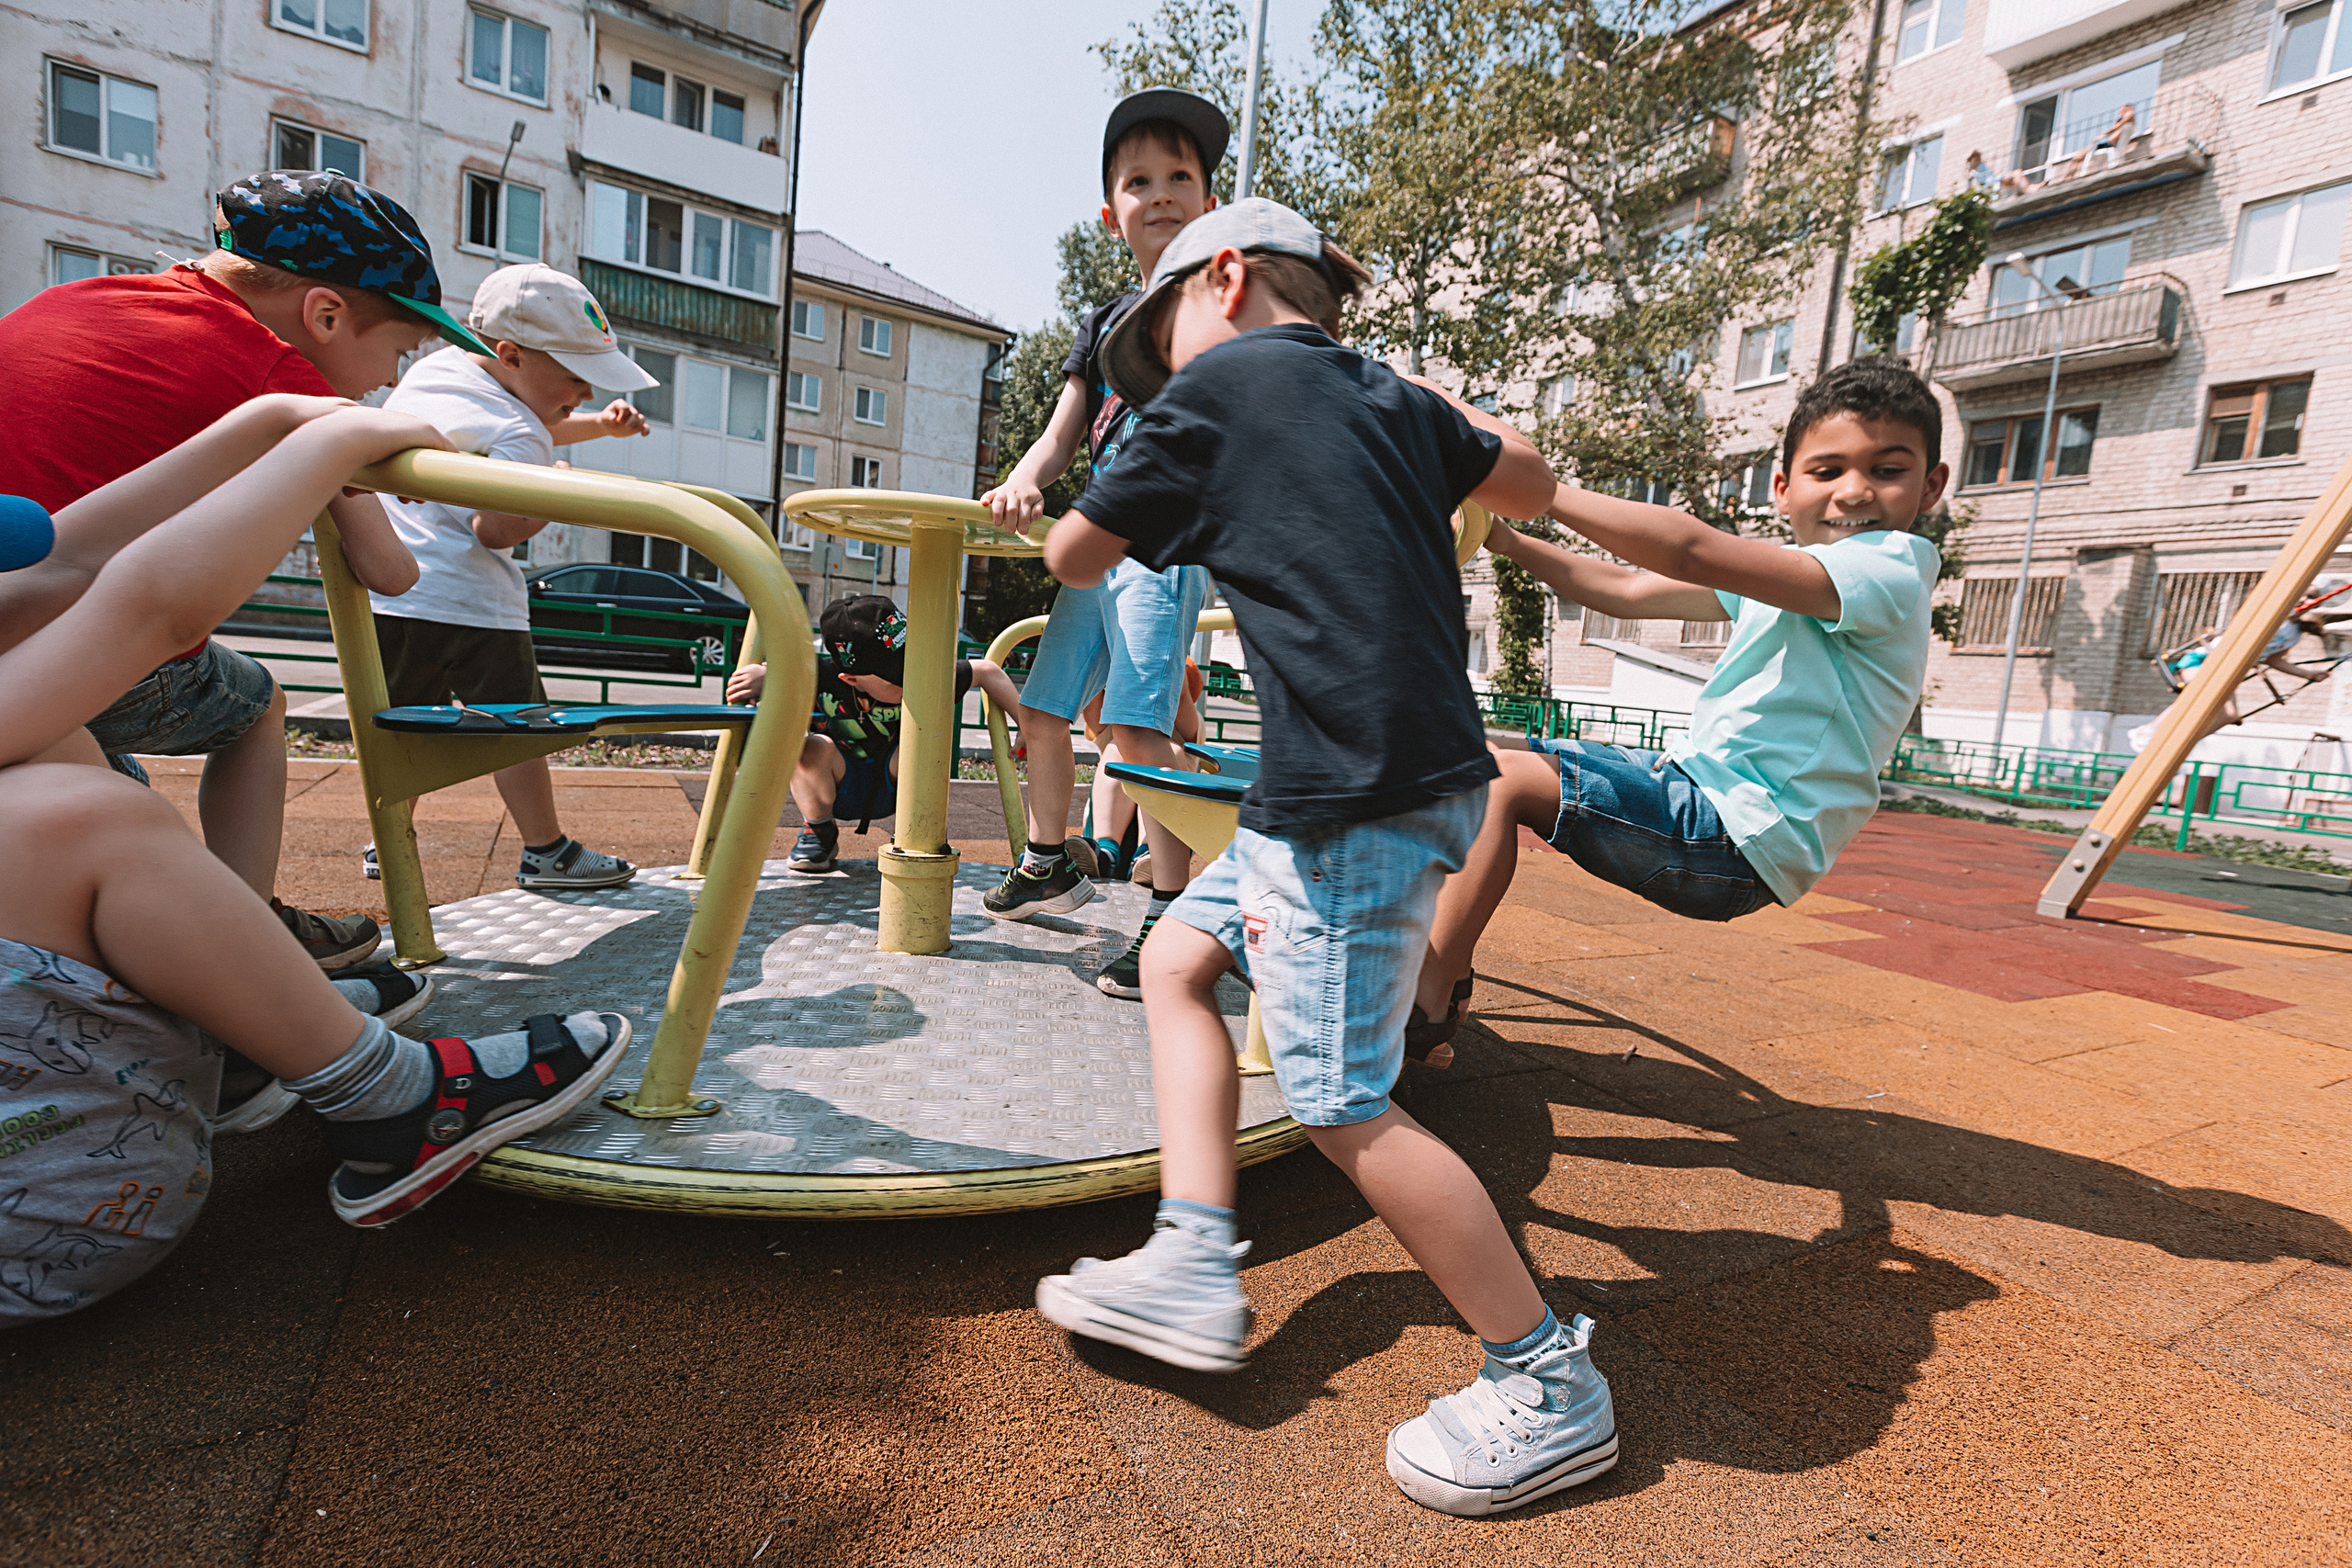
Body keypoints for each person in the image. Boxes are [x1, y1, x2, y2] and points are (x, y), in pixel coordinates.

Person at [1028, 198, 1610, 1518]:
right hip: (1371, 779)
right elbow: (1528, 481)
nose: (1161, 373)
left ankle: (1546, 1377)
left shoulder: (1212, 393)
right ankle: (1191, 1249)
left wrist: (1122, 457)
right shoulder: (1395, 398)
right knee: (1177, 959)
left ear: (1225, 278)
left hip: (1350, 791)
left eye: (1163, 341)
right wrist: (1431, 410)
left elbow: (1073, 552)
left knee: (1341, 1099)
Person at [0, 397, 629, 1325]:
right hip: (44, 1226)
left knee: (48, 751)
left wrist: (271, 419)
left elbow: (63, 564)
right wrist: (341, 439)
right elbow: (148, 607)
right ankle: (390, 1098)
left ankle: (248, 1030)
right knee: (80, 818)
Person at [0, 170, 480, 972]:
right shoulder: (278, 372)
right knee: (256, 706)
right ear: (325, 315)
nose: (389, 381)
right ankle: (250, 933)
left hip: (14, 599)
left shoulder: (75, 297)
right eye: (398, 351)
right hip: (80, 649)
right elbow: (389, 569)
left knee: (109, 793)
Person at [1408, 358, 1947, 1066]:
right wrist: (1507, 539)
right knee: (1477, 766)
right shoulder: (1794, 576)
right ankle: (1443, 981)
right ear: (1783, 488)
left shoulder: (1890, 566)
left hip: (1736, 833)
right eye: (1827, 470)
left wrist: (1541, 491)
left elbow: (1691, 550)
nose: (1854, 491)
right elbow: (1624, 590)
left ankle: (1424, 1008)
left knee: (1497, 783)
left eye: (1887, 470)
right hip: (1703, 798)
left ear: (1931, 485)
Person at [977, 88, 1230, 999]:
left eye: (1179, 177)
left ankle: (1169, 910)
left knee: (1135, 726)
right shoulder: (1105, 323)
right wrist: (1025, 479)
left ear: (1209, 200)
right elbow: (1061, 429)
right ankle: (1049, 858)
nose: (1159, 193)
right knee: (1045, 708)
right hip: (1098, 539)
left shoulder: (1217, 307)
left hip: (1163, 545)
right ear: (1109, 211)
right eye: (1138, 181)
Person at [362, 263, 657, 892]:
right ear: (511, 354)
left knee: (402, 726)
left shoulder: (436, 373)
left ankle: (386, 837)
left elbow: (511, 422)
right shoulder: (522, 433)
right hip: (474, 604)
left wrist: (597, 427)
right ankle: (546, 850)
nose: (584, 393)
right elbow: (495, 529)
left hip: (391, 591)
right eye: (575, 377)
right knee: (519, 730)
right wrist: (554, 491)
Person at [726, 595, 1023, 871]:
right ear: (851, 679)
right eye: (898, 675)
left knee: (925, 742)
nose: (911, 677)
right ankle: (819, 829)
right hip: (836, 784)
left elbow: (987, 671)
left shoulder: (926, 675)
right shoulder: (819, 675)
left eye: (913, 663)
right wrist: (769, 674)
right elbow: (788, 668)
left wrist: (1025, 726)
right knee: (811, 748)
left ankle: (918, 832)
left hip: (900, 786)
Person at [1080, 657, 1205, 885]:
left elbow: (1180, 697)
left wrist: (1159, 660)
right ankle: (1105, 853)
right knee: (1117, 748)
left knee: (1170, 751)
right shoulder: (1116, 723)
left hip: (1168, 834)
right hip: (1110, 824)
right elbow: (1092, 698)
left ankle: (1150, 853)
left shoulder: (1188, 723)